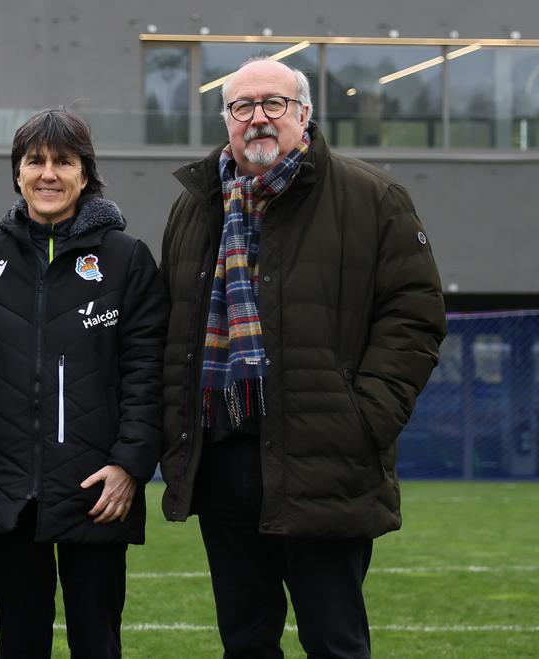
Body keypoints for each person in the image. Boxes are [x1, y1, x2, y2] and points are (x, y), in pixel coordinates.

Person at [160, 58, 447, 658]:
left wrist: (363, 417)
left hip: (324, 459)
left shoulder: (373, 198)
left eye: (275, 104)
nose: (258, 118)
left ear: (305, 115)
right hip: (223, 460)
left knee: (335, 642)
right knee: (244, 642)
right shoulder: (196, 204)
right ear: (227, 119)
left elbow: (414, 317)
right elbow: (173, 327)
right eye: (243, 106)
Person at [0, 108, 169, 658]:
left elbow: (148, 374)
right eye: (35, 161)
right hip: (7, 490)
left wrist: (130, 465)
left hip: (97, 490)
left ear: (85, 174)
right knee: (20, 642)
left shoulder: (127, 260)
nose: (48, 173)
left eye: (63, 162)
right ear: (17, 173)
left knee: (97, 643)